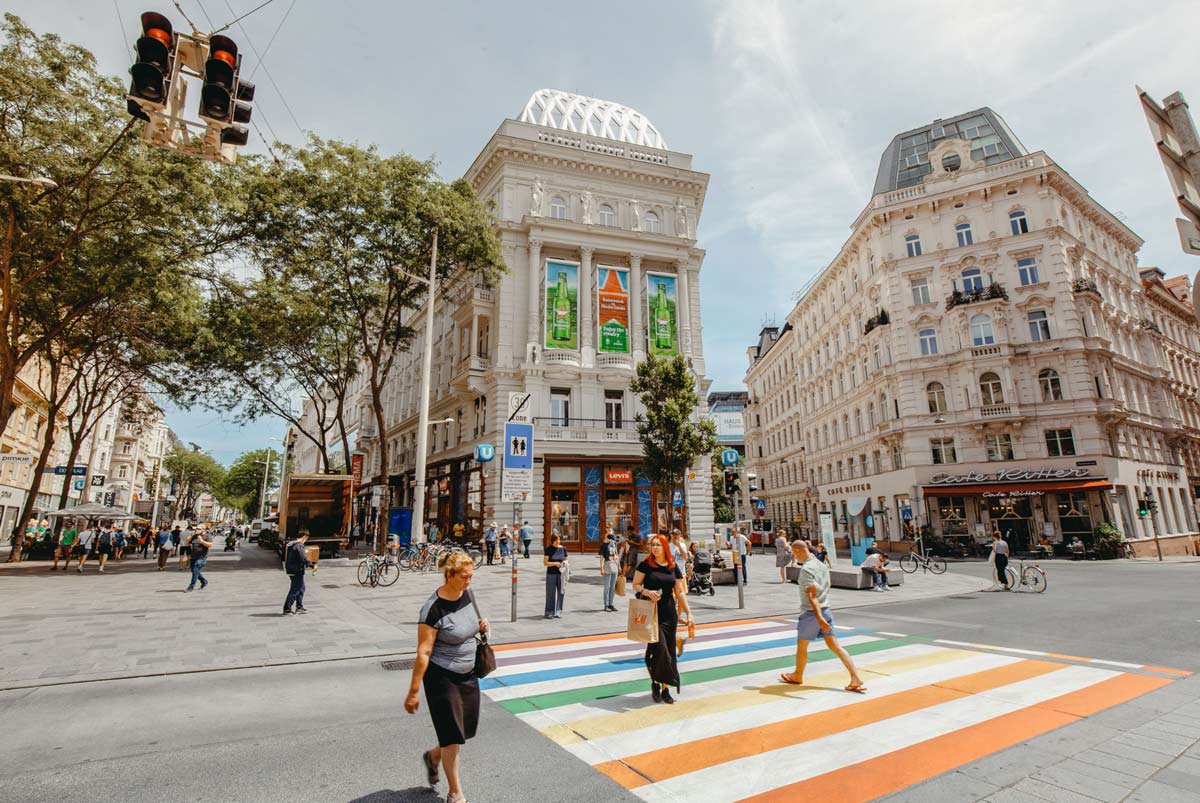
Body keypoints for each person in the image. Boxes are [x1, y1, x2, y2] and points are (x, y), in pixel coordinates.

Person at [406, 552, 488, 803]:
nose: (468, 581)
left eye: (471, 576)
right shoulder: (432, 608)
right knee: (452, 736)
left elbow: (470, 624)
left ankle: (433, 757)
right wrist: (413, 691)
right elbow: (424, 651)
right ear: (449, 575)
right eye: (464, 577)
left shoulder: (468, 595)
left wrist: (482, 626)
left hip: (468, 673)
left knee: (461, 732)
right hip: (442, 677)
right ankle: (456, 793)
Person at [781, 539, 866, 692]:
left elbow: (812, 596)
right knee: (836, 646)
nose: (795, 557)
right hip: (826, 609)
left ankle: (797, 675)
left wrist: (819, 618)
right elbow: (827, 587)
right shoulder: (821, 565)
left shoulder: (806, 570)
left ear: (799, 551)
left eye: (795, 554)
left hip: (812, 614)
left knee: (802, 646)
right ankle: (855, 677)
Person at [632, 534, 692, 704]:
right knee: (660, 650)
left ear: (665, 546)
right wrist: (647, 592)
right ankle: (656, 683)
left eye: (658, 545)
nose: (654, 548)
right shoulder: (646, 565)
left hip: (669, 614)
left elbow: (679, 592)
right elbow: (635, 585)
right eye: (653, 545)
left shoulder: (673, 566)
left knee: (669, 652)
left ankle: (664, 687)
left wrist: (688, 613)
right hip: (652, 614)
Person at [283, 529, 313, 615]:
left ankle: (299, 607)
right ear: (304, 537)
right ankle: (287, 609)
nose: (306, 540)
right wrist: (310, 564)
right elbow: (302, 558)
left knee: (301, 588)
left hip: (291, 569)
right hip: (296, 570)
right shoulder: (299, 546)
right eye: (306, 538)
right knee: (295, 589)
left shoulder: (292, 544)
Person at [543, 533, 568, 619]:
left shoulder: (563, 549)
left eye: (559, 539)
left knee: (561, 592)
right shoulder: (549, 549)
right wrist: (555, 563)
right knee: (550, 593)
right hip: (551, 574)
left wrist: (564, 564)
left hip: (561, 574)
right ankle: (549, 612)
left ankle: (558, 611)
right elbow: (545, 563)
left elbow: (566, 560)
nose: (558, 541)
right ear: (552, 541)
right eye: (556, 540)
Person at [600, 528, 619, 612]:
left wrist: (619, 566)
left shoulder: (613, 543)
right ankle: (606, 605)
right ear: (605, 534)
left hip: (615, 565)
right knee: (607, 587)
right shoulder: (603, 545)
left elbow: (616, 554)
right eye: (609, 533)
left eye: (611, 533)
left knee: (613, 587)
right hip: (607, 565)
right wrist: (601, 568)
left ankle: (611, 604)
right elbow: (601, 558)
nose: (611, 535)